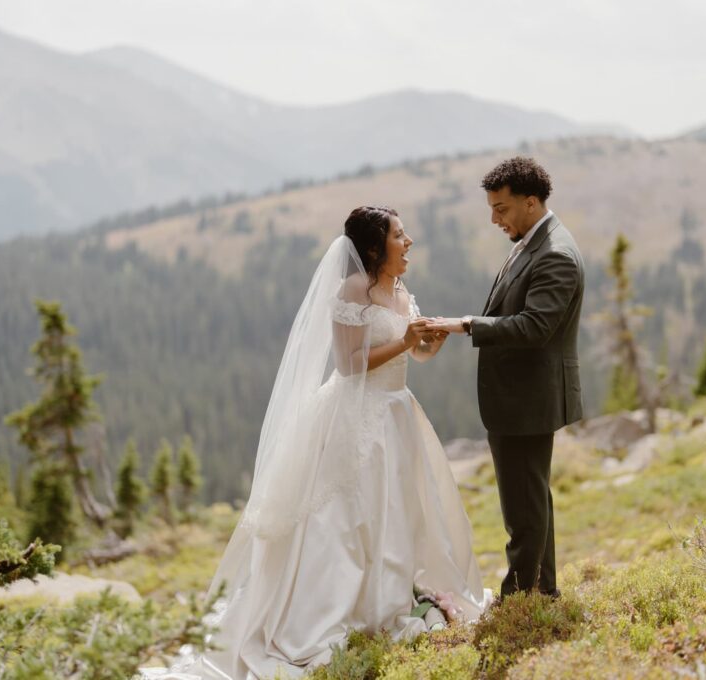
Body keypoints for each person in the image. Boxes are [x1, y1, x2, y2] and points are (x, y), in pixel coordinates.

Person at [150, 206, 491, 680]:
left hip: (398, 413)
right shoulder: (352, 290)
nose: (409, 241)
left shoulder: (401, 289)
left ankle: (391, 593)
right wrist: (405, 338)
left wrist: (430, 341)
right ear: (374, 247)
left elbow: (417, 353)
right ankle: (331, 608)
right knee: (347, 516)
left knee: (400, 509)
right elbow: (350, 364)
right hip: (356, 415)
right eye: (399, 235)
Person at [427, 157, 585, 598]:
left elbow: (536, 327)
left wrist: (467, 325)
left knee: (523, 509)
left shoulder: (555, 254)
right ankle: (543, 592)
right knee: (533, 500)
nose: (495, 219)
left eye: (502, 209)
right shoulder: (533, 241)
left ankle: (518, 598)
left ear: (531, 203)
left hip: (528, 399)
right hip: (519, 396)